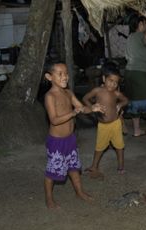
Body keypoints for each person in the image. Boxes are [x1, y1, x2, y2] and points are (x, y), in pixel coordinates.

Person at [44, 61, 105, 209]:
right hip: (57, 141)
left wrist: (93, 108)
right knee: (53, 172)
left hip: (70, 139)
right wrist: (72, 113)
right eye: (60, 74)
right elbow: (54, 120)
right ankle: (49, 199)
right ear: (49, 77)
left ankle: (79, 192)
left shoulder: (68, 93)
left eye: (66, 73)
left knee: (73, 167)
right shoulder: (50, 96)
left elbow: (82, 109)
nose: (64, 77)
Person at [83, 63, 129, 178]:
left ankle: (121, 166)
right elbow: (85, 98)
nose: (113, 84)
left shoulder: (116, 93)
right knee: (99, 147)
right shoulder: (97, 91)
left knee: (119, 146)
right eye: (110, 80)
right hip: (103, 125)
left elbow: (126, 100)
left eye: (116, 82)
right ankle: (94, 166)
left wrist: (120, 104)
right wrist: (92, 107)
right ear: (104, 78)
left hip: (115, 123)